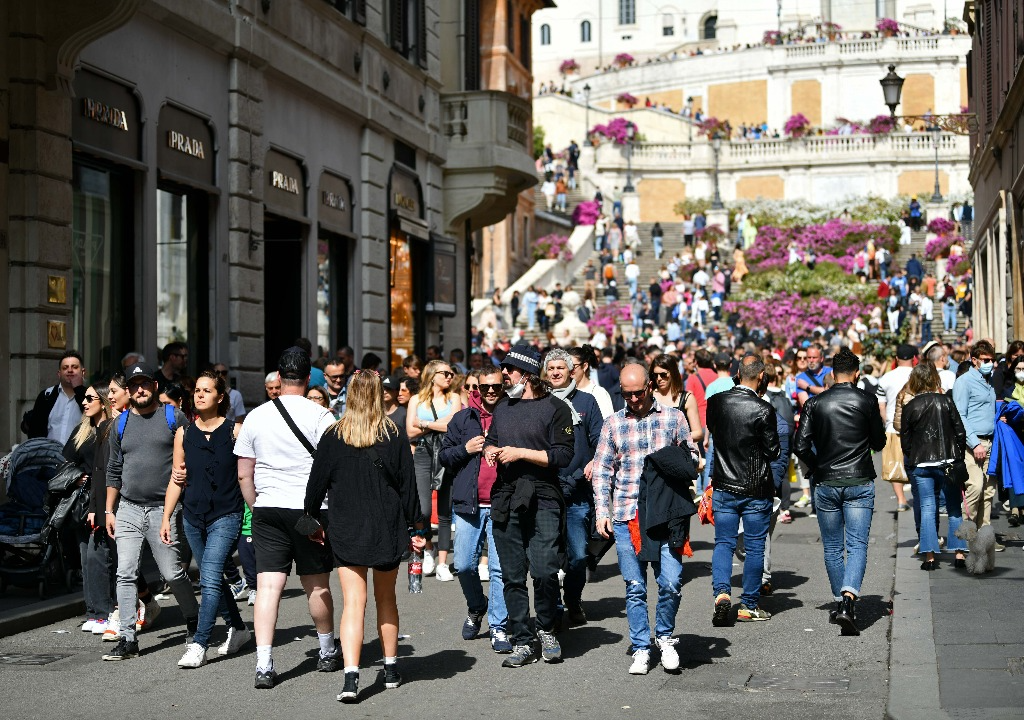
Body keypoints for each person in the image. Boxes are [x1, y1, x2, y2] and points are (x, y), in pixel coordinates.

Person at [304, 371, 426, 703]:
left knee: (353, 604)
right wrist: (418, 527)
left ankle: (351, 677)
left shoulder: (333, 434)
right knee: (387, 600)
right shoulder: (394, 434)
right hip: (387, 526)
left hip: (346, 527)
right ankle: (389, 669)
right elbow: (408, 488)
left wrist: (311, 518)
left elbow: (315, 486)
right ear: (378, 395)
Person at [235, 347, 338, 689]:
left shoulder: (255, 416)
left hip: (268, 508)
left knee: (267, 587)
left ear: (278, 378)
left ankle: (264, 664)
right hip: (310, 510)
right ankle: (326, 650)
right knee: (317, 584)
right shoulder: (323, 417)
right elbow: (335, 469)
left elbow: (243, 474)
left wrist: (255, 505)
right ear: (309, 378)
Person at [592, 362, 700, 675]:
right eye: (627, 395)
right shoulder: (613, 423)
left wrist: (671, 461)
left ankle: (664, 637)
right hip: (628, 513)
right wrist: (602, 511)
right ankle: (641, 647)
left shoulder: (673, 417)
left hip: (668, 514)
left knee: (671, 582)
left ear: (650, 386)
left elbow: (692, 458)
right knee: (635, 585)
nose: (634, 399)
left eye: (639, 392)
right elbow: (601, 469)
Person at [483, 345, 574, 668]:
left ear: (528, 374)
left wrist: (520, 453)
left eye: (509, 369)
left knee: (546, 569)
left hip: (544, 497)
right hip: (506, 496)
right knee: (511, 575)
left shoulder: (556, 408)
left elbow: (563, 456)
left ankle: (547, 628)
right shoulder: (504, 408)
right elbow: (492, 440)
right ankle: (523, 639)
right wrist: (490, 451)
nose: (503, 374)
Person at [102, 362, 198, 661]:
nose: (139, 389)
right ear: (128, 390)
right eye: (134, 385)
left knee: (173, 572)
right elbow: (114, 468)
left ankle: (194, 619)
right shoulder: (120, 424)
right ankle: (128, 638)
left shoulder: (173, 416)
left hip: (163, 510)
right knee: (125, 573)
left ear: (154, 386)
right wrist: (109, 509)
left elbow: (190, 458)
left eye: (144, 383)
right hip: (128, 508)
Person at [160, 371, 251, 668]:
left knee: (210, 576)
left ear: (220, 397)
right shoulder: (184, 433)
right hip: (192, 517)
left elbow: (250, 473)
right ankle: (238, 629)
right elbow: (177, 478)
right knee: (213, 578)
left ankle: (199, 643)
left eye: (206, 390)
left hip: (227, 514)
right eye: (196, 390)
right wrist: (166, 518)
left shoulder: (236, 431)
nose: (199, 395)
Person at [794, 348, 886, 636]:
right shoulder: (867, 400)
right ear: (856, 374)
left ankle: (840, 601)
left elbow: (800, 445)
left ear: (832, 374)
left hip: (826, 481)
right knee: (857, 544)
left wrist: (816, 466)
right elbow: (879, 442)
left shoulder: (815, 403)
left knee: (833, 546)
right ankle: (848, 599)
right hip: (859, 479)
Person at [440, 367, 512, 653]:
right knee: (465, 565)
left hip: (501, 504)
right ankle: (476, 607)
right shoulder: (462, 419)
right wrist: (465, 449)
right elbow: (445, 456)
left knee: (497, 569)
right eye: (485, 387)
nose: (491, 391)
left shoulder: (512, 414)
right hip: (468, 504)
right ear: (476, 389)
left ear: (503, 386)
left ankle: (499, 626)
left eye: (496, 386)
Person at [707, 355, 781, 626]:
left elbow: (714, 432)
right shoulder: (762, 409)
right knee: (754, 546)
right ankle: (748, 604)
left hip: (725, 483)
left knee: (723, 543)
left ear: (738, 373)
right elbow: (773, 451)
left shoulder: (716, 403)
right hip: (755, 486)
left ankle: (722, 594)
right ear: (761, 376)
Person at [543, 349, 603, 626]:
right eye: (551, 368)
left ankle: (573, 598)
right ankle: (553, 606)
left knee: (578, 555)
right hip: (547, 490)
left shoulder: (587, 401)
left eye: (560, 368)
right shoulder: (539, 401)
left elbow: (601, 441)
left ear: (571, 371)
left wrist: (591, 464)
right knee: (549, 554)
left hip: (579, 489)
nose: (555, 372)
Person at [899, 363, 968, 570]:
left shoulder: (910, 406)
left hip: (922, 464)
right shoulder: (946, 401)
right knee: (955, 508)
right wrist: (958, 457)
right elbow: (960, 432)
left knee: (928, 508)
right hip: (947, 462)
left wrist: (913, 458)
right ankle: (959, 554)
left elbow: (906, 440)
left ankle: (929, 557)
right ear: (934, 380)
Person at [406, 360, 462, 580]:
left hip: (446, 453)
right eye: (445, 373)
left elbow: (453, 426)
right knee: (424, 510)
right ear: (431, 375)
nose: (450, 377)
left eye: (451, 373)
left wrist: (424, 423)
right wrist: (437, 424)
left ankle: (442, 563)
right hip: (422, 453)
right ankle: (428, 547)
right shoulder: (416, 400)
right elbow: (409, 431)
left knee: (446, 512)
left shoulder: (454, 398)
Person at [65, 384, 112, 635]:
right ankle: (93, 611)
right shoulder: (82, 430)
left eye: (90, 398)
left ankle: (104, 612)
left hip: (104, 499)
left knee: (99, 556)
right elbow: (67, 462)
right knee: (87, 557)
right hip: (82, 503)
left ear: (103, 401)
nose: (84, 402)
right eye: (84, 398)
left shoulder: (111, 429)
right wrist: (77, 477)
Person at [952, 340, 999, 537]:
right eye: (986, 360)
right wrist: (975, 442)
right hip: (972, 444)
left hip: (990, 441)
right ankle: (965, 535)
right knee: (975, 486)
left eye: (993, 360)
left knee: (988, 492)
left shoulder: (988, 381)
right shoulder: (964, 381)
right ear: (974, 360)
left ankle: (984, 536)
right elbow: (959, 414)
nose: (991, 363)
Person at [876, 344, 917, 511]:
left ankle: (901, 500)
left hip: (893, 428)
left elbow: (881, 406)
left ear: (896, 359)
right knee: (916, 465)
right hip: (916, 429)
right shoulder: (919, 376)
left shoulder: (886, 378)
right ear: (914, 358)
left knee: (894, 465)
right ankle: (917, 496)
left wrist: (888, 422)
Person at [21, 350, 86, 443]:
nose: (70, 370)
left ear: (83, 372)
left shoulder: (91, 397)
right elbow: (35, 433)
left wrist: (78, 389)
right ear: (59, 374)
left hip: (78, 456)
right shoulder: (46, 396)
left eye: (74, 367)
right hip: (49, 455)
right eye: (65, 367)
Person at [650, 354, 703, 449]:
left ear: (672, 373)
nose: (659, 379)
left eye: (663, 374)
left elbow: (698, 433)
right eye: (655, 375)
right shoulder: (650, 397)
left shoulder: (687, 398)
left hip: (680, 455)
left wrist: (673, 438)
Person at [567, 346, 614, 418]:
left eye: (573, 366)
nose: (570, 370)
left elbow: (608, 423)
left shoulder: (599, 393)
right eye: (567, 366)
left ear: (585, 366)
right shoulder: (565, 392)